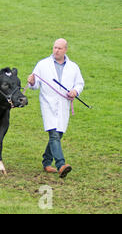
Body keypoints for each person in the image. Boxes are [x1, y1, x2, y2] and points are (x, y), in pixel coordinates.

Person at [27, 38, 84, 178]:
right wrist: (32, 82)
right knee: (53, 133)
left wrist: (75, 91)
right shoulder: (42, 64)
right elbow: (34, 85)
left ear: (65, 50)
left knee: (58, 134)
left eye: (59, 48)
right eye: (54, 47)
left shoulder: (73, 67)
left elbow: (80, 83)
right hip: (48, 103)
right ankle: (61, 165)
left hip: (64, 104)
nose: (56, 50)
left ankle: (46, 162)